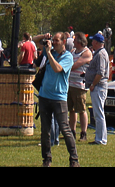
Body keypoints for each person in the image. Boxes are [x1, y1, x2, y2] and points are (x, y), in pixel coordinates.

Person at [37, 33, 79, 167]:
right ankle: (46, 159)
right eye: (53, 40)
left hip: (59, 98)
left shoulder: (67, 57)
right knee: (45, 130)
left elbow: (57, 69)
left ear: (63, 42)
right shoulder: (50, 51)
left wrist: (49, 53)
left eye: (56, 40)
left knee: (65, 129)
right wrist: (45, 36)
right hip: (44, 96)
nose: (54, 43)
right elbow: (33, 40)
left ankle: (74, 160)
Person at [85, 31, 110, 146]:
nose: (91, 42)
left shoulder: (100, 54)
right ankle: (99, 137)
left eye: (93, 41)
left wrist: (93, 84)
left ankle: (101, 139)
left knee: (99, 113)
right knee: (97, 113)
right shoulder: (99, 53)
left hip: (99, 87)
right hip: (98, 86)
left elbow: (100, 72)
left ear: (96, 42)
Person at [68, 31, 92, 141]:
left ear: (79, 41)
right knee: (71, 110)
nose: (73, 41)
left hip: (80, 85)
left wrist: (63, 67)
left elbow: (74, 66)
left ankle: (83, 133)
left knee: (81, 110)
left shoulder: (86, 53)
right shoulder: (73, 51)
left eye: (74, 39)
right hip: (70, 84)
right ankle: (71, 132)